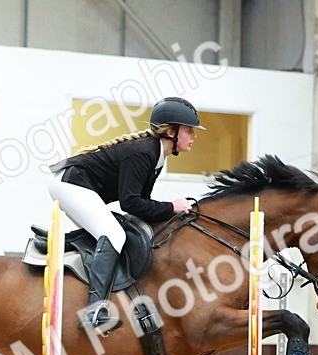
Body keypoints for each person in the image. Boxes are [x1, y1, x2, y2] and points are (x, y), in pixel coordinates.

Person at [48, 96, 204, 332]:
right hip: (71, 183)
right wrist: (171, 206)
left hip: (75, 185)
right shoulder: (144, 153)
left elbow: (143, 203)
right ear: (171, 132)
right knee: (113, 234)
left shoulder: (157, 157)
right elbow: (130, 203)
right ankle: (94, 312)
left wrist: (173, 214)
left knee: (112, 232)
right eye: (189, 131)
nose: (194, 136)